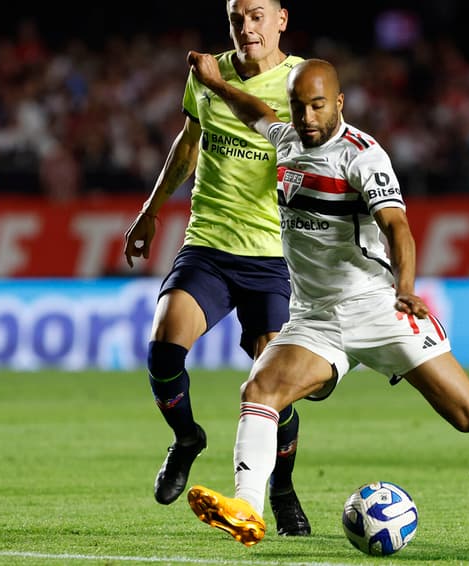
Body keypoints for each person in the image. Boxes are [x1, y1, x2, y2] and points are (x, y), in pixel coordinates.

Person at [183, 52, 469, 546]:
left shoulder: (363, 157)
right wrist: (215, 83)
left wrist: (406, 288)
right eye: (299, 107)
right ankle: (248, 509)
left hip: (376, 307)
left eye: (318, 106)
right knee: (259, 393)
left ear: (339, 103)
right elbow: (252, 111)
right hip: (315, 317)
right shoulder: (285, 139)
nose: (307, 119)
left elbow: (398, 228)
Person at [122, 0, 311, 536]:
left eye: (257, 16)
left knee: (274, 384)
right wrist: (151, 210)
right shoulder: (207, 74)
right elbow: (189, 143)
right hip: (208, 244)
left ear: (281, 19)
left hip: (274, 255)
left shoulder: (302, 81)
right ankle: (187, 439)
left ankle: (282, 487)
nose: (246, 28)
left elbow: (287, 134)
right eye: (236, 18)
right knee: (162, 349)